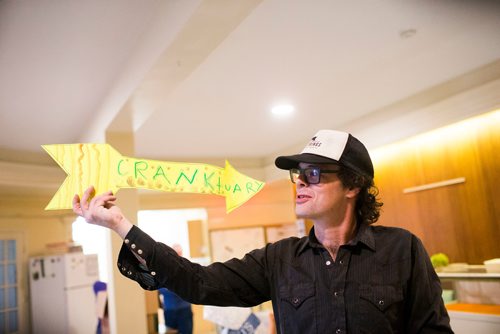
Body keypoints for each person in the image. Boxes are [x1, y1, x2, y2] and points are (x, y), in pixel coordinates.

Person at [73, 129, 453, 333]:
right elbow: (198, 282)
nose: (300, 182)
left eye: (315, 174)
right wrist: (120, 225)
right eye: (298, 173)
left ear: (353, 185)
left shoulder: (403, 250)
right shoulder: (278, 259)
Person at [158, 244, 193, 334]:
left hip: (184, 310)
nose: (178, 256)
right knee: (171, 332)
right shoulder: (163, 270)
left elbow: (189, 287)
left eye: (179, 253)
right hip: (169, 310)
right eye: (175, 253)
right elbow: (160, 289)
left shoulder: (186, 268)